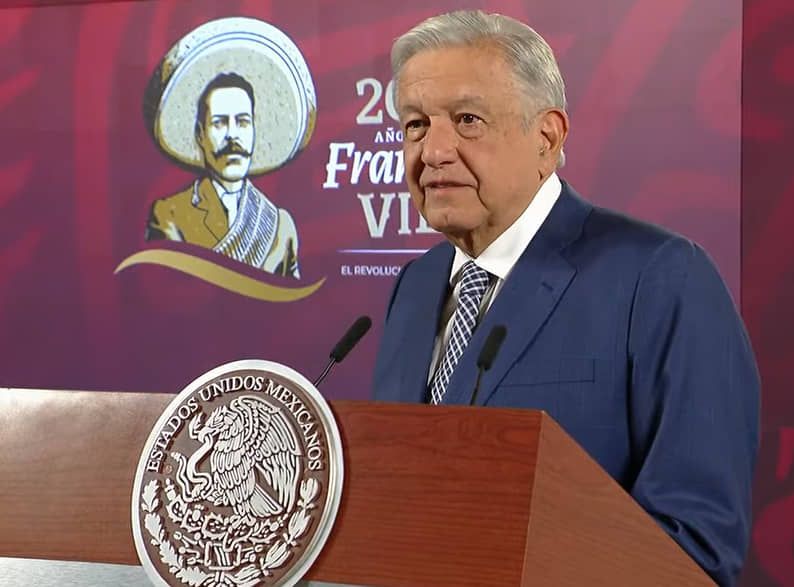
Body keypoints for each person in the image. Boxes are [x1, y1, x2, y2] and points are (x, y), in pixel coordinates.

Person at [372, 10, 760, 586]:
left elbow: (696, 544)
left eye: (468, 120)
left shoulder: (661, 278)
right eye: (416, 124)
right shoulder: (415, 286)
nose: (434, 151)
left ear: (547, 138)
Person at [146, 73, 300, 278]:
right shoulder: (170, 215)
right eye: (219, 123)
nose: (232, 135)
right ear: (200, 134)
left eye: (243, 122)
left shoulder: (280, 225)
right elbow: (168, 292)